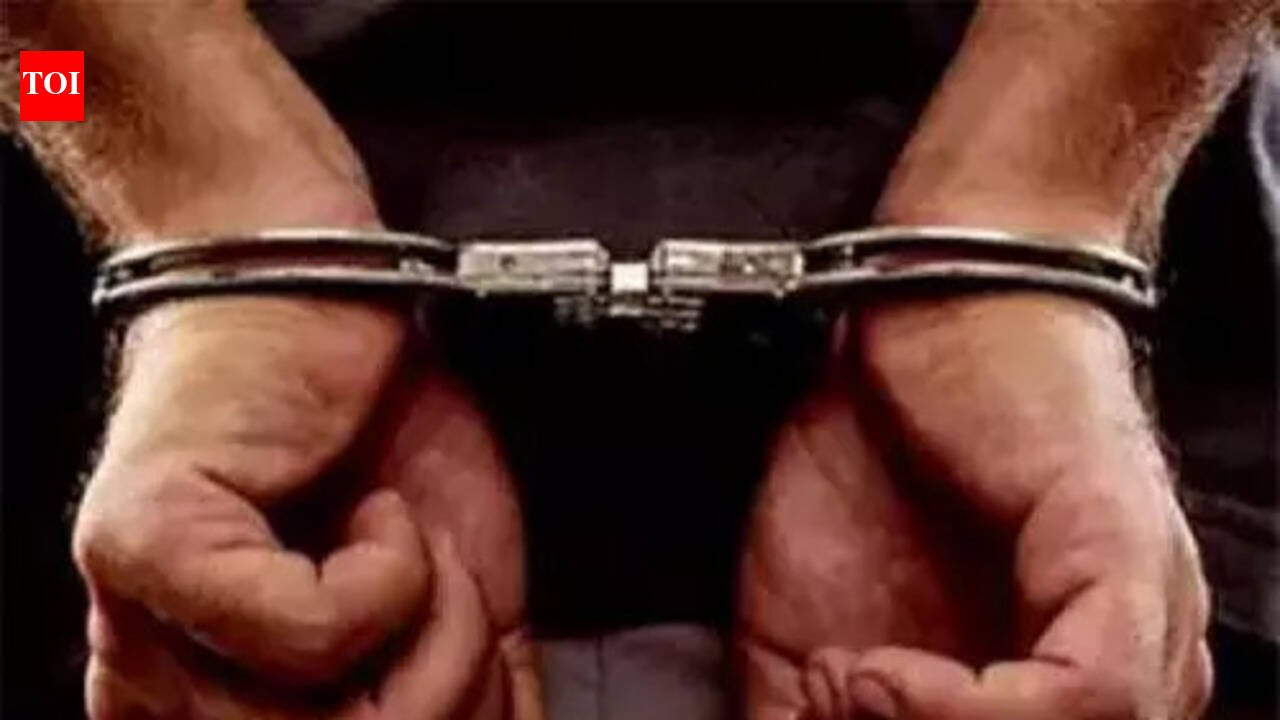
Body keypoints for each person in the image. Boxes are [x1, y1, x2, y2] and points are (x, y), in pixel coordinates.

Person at [3, 1, 1275, 718]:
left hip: (1058, 530)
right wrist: (145, 138)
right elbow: (32, 70)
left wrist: (1051, 176)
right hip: (172, 551)